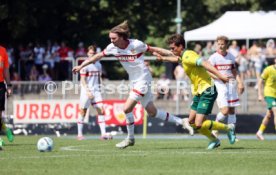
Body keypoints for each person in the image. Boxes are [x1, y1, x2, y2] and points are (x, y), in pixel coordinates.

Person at [73, 21, 193, 149]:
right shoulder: (112, 47)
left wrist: (173, 53)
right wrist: (81, 65)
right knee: (152, 112)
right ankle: (182, 121)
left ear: (122, 37)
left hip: (144, 79)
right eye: (110, 38)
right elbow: (96, 57)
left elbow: (154, 49)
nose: (111, 41)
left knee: (126, 109)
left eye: (114, 38)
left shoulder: (136, 44)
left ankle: (130, 138)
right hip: (134, 81)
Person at [152, 34, 236, 149]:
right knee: (191, 122)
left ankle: (228, 128)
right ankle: (214, 140)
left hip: (207, 89)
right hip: (198, 92)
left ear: (181, 46)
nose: (171, 50)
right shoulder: (183, 56)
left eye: (173, 48)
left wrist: (220, 76)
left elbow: (206, 64)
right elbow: (178, 59)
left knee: (199, 123)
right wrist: (164, 58)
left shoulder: (189, 55)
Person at [208, 36, 244, 139]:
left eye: (222, 44)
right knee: (225, 111)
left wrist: (240, 82)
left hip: (231, 84)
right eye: (218, 44)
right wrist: (221, 77)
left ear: (226, 44)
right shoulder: (213, 57)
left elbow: (234, 72)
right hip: (219, 85)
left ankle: (231, 132)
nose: (220, 45)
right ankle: (216, 126)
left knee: (232, 110)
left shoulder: (231, 57)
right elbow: (208, 72)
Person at [77, 45, 112, 141]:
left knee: (101, 110)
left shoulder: (99, 65)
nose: (92, 55)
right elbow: (83, 80)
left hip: (96, 91)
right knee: (83, 112)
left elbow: (98, 77)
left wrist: (100, 87)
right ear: (87, 54)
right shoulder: (85, 64)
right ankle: (79, 134)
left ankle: (103, 134)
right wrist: (88, 91)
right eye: (90, 53)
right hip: (86, 91)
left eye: (93, 53)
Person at [256, 58, 276, 140]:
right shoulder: (268, 69)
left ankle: (259, 132)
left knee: (269, 115)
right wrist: (259, 94)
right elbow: (260, 81)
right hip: (269, 94)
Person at [0, 45, 13, 150]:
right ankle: (4, 128)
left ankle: (4, 129)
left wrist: (8, 85)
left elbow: (5, 69)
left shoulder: (3, 50)